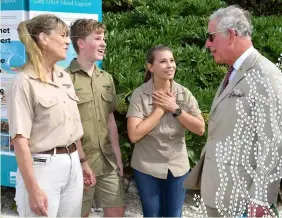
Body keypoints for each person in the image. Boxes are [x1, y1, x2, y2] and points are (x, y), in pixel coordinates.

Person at [184, 5, 282, 217]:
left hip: (242, 199)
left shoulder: (266, 75)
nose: (207, 44)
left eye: (211, 37)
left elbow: (273, 142)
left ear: (230, 35)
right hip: (221, 192)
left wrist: (261, 198)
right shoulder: (235, 71)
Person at [6, 14, 95, 217]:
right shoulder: (23, 82)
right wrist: (33, 189)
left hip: (72, 163)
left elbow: (72, 125)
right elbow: (20, 141)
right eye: (63, 35)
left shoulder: (64, 76)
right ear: (43, 38)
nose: (67, 41)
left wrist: (82, 162)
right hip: (43, 168)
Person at [126, 45, 205, 217]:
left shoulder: (184, 94)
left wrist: (175, 109)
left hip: (178, 166)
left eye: (172, 60)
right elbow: (134, 134)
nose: (170, 65)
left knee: (174, 215)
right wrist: (160, 110)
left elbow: (200, 128)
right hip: (147, 166)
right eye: (163, 61)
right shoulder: (140, 95)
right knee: (152, 214)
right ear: (151, 67)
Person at [65, 19, 125, 217]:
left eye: (104, 39)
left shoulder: (106, 78)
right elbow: (68, 126)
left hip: (107, 160)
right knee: (80, 213)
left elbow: (110, 120)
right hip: (79, 162)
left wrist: (118, 157)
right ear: (81, 43)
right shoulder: (65, 79)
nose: (104, 43)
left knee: (117, 211)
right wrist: (82, 161)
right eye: (97, 38)